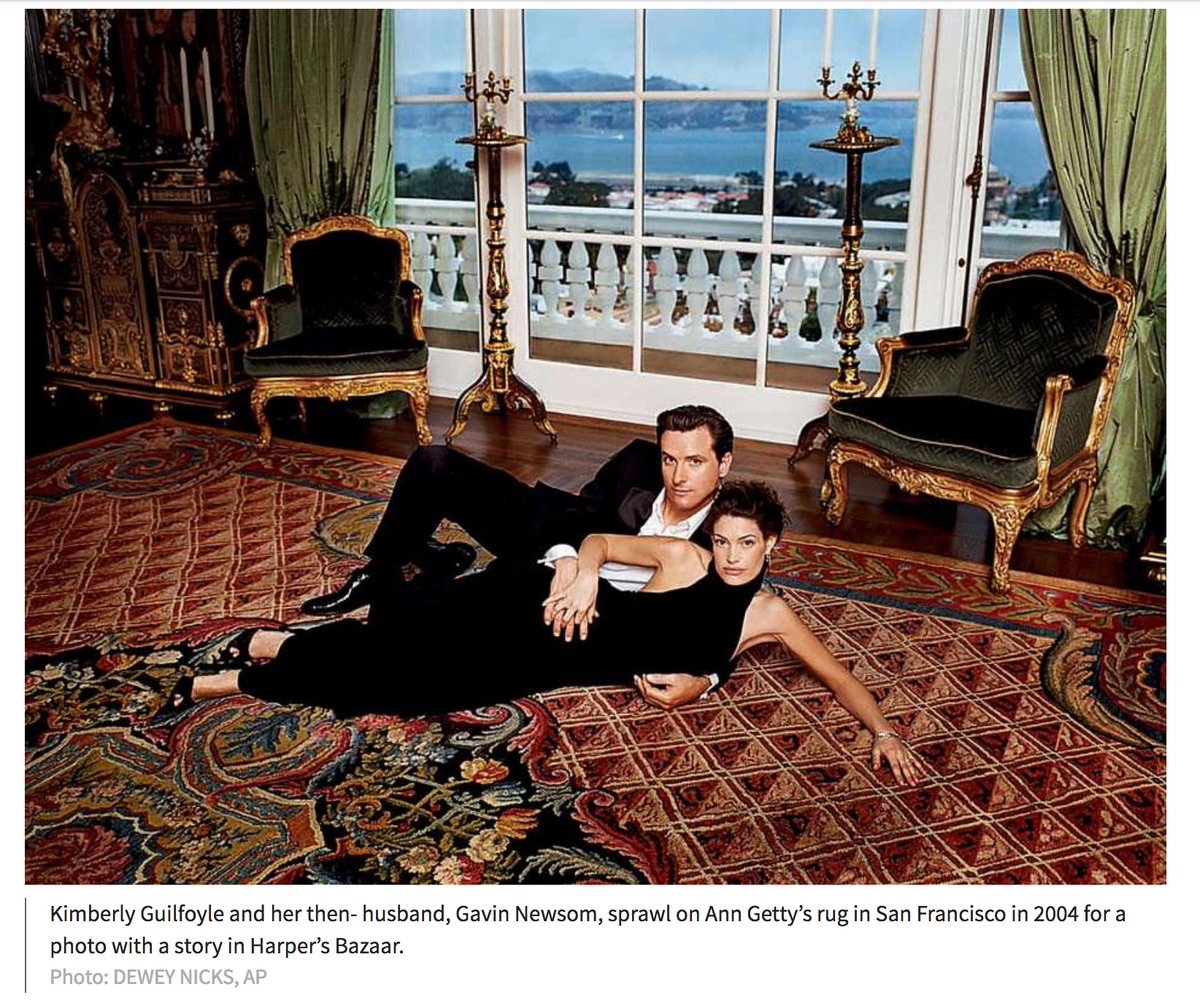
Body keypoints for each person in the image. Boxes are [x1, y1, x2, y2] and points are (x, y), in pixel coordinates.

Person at [168, 481, 924, 786]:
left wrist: (884, 731)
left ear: (772, 547)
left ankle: (266, 650)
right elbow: (595, 542)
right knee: (403, 659)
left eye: (746, 545)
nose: (730, 556)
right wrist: (587, 573)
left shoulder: (770, 616)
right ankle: (243, 670)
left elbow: (840, 676)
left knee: (406, 684)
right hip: (542, 607)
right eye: (723, 540)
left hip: (550, 660)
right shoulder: (681, 558)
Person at [300, 403, 736, 708]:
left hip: (562, 598)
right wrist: (568, 558)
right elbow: (582, 514)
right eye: (670, 460)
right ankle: (384, 568)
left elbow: (740, 610)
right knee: (435, 464)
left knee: (428, 628)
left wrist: (705, 680)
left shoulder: (730, 530)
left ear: (724, 463)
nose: (678, 476)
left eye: (695, 462)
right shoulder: (638, 461)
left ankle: (431, 574)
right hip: (552, 538)